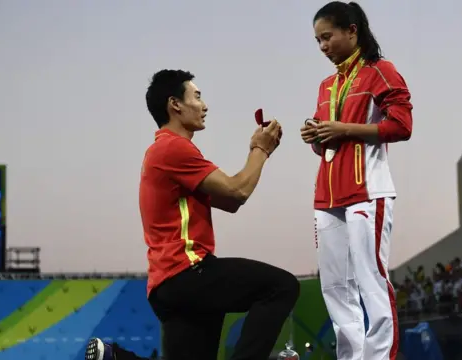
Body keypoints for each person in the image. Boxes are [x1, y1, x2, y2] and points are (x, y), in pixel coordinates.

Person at [85, 69, 300, 360]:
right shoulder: (174, 149)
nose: (205, 106)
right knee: (281, 287)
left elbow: (231, 201)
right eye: (197, 97)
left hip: (168, 285)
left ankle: (113, 356)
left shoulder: (165, 153)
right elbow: (237, 191)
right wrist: (261, 149)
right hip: (189, 272)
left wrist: (256, 150)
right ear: (175, 104)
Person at [300, 2, 413, 360]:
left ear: (352, 30)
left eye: (327, 37)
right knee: (335, 287)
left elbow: (402, 126)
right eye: (318, 40)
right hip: (327, 195)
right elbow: (329, 146)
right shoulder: (326, 86)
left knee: (371, 280)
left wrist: (343, 129)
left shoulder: (380, 71)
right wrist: (317, 137)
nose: (322, 47)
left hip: (368, 192)